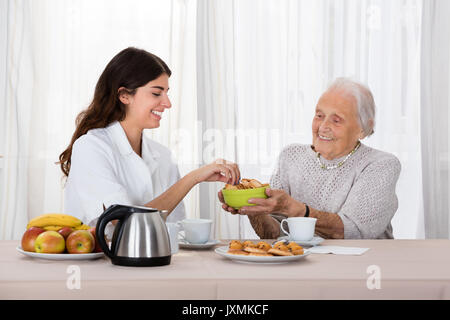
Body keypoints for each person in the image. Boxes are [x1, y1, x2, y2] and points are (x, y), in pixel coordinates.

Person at [59, 47, 240, 227]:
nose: (167, 103)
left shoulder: (163, 155)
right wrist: (193, 178)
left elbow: (175, 227)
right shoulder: (91, 147)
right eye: (156, 93)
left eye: (167, 92)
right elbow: (124, 222)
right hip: (101, 256)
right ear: (124, 95)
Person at [219, 77, 401, 239]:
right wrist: (254, 208)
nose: (323, 126)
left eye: (336, 120)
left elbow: (355, 232)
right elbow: (274, 235)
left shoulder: (381, 165)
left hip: (362, 267)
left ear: (363, 128)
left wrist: (297, 210)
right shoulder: (290, 156)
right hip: (303, 266)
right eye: (319, 115)